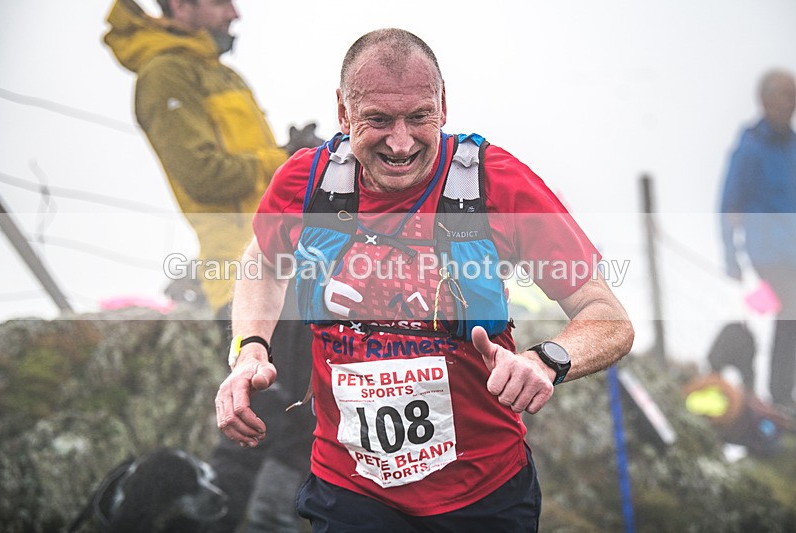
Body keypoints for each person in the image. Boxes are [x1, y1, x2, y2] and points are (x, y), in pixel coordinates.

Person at [215, 28, 634, 532]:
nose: (400, 141)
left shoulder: (496, 183)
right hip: (350, 491)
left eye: (418, 117)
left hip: (485, 493)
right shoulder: (306, 183)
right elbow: (261, 260)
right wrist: (251, 349)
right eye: (378, 120)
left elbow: (608, 317)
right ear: (344, 113)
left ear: (443, 104)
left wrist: (546, 362)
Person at [103, 1, 316, 531]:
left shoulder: (220, 73)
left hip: (289, 259)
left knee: (290, 411)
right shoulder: (164, 74)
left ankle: (230, 518)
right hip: (244, 269)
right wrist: (287, 160)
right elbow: (202, 175)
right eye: (221, 2)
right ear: (180, 6)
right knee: (284, 410)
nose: (234, 13)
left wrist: (287, 157)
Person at [720, 69, 796, 411]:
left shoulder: (792, 146)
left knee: (787, 316)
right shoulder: (749, 147)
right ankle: (780, 397)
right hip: (767, 252)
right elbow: (728, 204)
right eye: (783, 94)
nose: (789, 103)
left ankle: (780, 395)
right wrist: (731, 258)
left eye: (792, 95)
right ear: (765, 100)